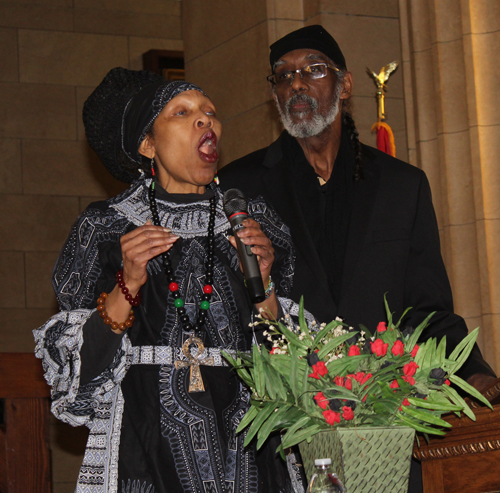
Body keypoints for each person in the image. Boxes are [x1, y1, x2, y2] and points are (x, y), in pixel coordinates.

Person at [219, 26, 497, 486]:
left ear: (345, 85)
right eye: (283, 76)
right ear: (274, 96)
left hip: (386, 420)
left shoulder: (402, 186)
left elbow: (429, 308)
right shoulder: (241, 186)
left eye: (312, 70)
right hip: (286, 431)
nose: (296, 84)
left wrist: (476, 374)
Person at [33, 67, 302, 493]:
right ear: (147, 144)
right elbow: (78, 381)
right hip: (146, 446)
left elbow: (297, 372)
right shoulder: (106, 228)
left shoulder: (255, 224)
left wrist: (265, 286)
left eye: (210, 112)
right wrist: (129, 282)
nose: (205, 120)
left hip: (252, 446)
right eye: (182, 112)